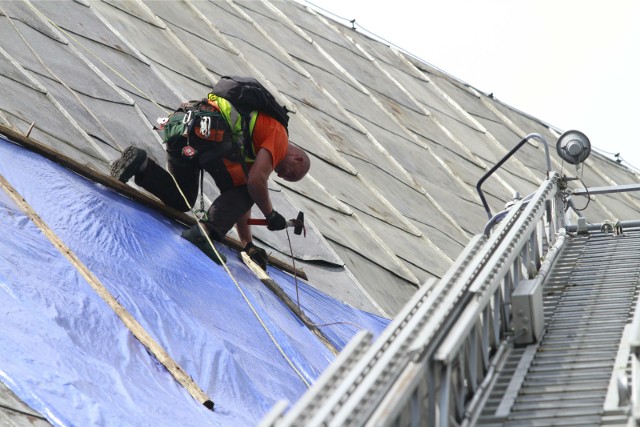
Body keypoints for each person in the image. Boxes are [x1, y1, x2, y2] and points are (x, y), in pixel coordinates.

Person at [110, 94, 310, 269]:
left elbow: (238, 200)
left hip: (181, 126)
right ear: (297, 159)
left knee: (182, 199)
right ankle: (204, 234)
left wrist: (247, 244)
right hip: (210, 133)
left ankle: (142, 165)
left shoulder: (256, 146)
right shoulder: (279, 137)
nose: (281, 176)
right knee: (252, 188)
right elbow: (255, 183)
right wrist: (270, 214)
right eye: (290, 174)